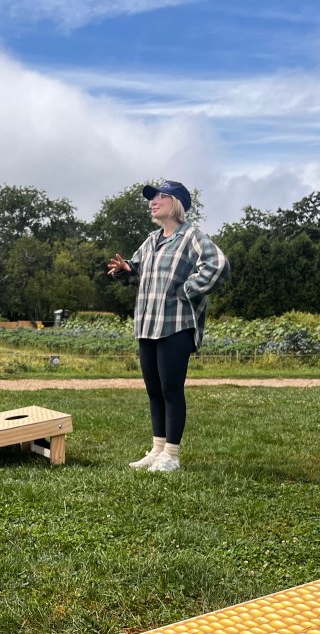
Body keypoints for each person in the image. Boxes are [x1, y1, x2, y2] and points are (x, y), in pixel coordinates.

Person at [108, 180, 229, 473]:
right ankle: (157, 449)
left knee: (171, 388)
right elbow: (136, 271)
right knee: (154, 390)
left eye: (159, 197)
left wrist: (188, 289)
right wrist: (126, 271)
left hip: (177, 324)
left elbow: (219, 265)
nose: (153, 202)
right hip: (148, 323)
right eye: (152, 198)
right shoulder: (151, 241)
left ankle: (172, 456)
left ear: (175, 203)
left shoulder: (191, 237)